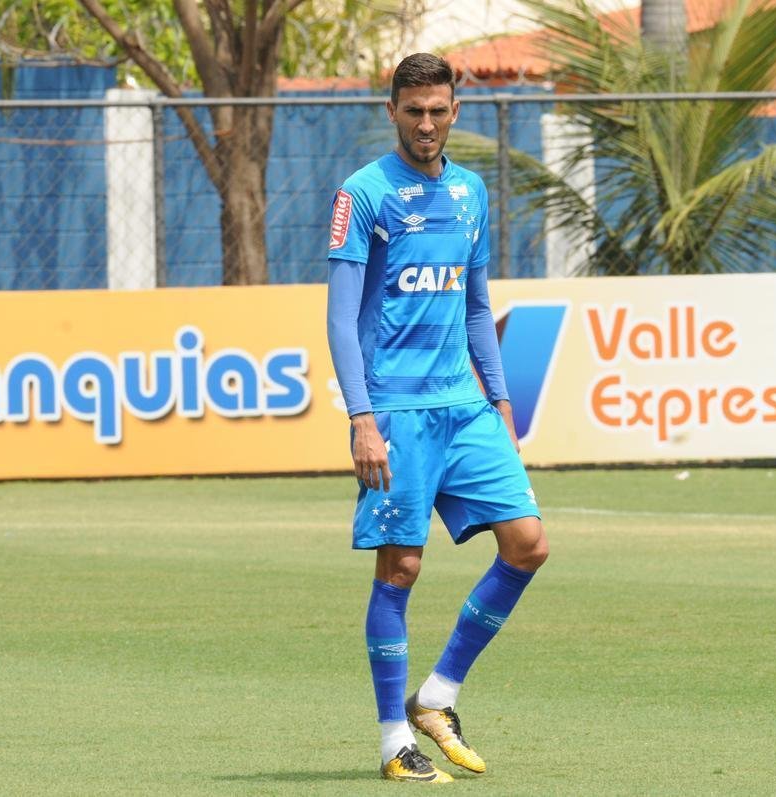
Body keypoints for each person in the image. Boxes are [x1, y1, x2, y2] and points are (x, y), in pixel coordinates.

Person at [325, 52, 549, 784]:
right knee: (404, 566)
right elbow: (338, 316)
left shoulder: (470, 191)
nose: (426, 122)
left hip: (466, 405)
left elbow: (478, 304)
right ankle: (395, 739)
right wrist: (362, 415)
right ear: (392, 110)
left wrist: (503, 398)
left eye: (438, 110)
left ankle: (438, 693)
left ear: (456, 111)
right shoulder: (363, 195)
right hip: (396, 409)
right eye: (413, 110)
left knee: (528, 544)